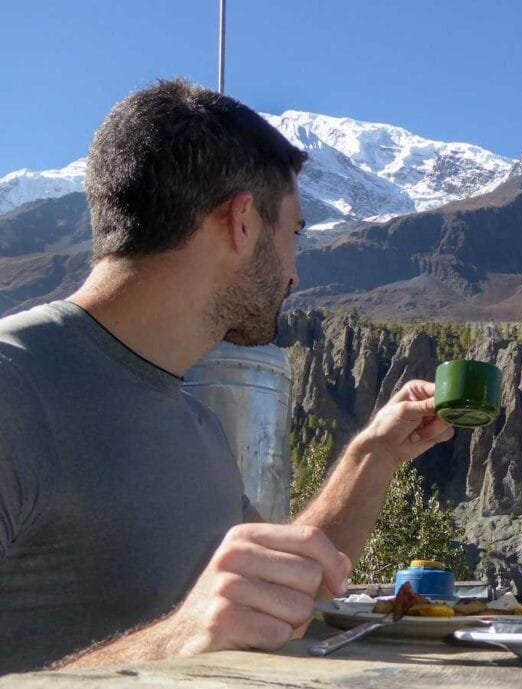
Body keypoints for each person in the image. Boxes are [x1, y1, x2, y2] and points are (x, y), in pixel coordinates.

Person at [0, 80, 456, 674]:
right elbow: (196, 630)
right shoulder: (12, 386)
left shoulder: (196, 424)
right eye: (293, 233)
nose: (295, 275)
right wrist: (172, 643)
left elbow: (283, 591)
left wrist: (374, 455)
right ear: (242, 221)